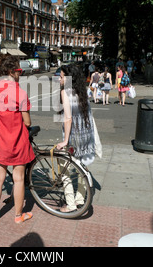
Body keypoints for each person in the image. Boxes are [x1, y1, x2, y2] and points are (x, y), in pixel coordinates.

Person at [0, 53, 35, 225]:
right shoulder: (20, 93)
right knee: (18, 179)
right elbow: (27, 122)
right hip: (19, 142)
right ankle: (19, 216)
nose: (20, 74)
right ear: (12, 72)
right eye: (19, 70)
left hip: (1, 143)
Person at [56, 64, 96, 212]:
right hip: (87, 135)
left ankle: (70, 204)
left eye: (61, 77)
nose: (59, 79)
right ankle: (80, 198)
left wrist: (65, 141)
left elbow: (68, 118)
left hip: (74, 137)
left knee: (64, 167)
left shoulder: (65, 92)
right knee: (81, 168)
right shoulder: (82, 91)